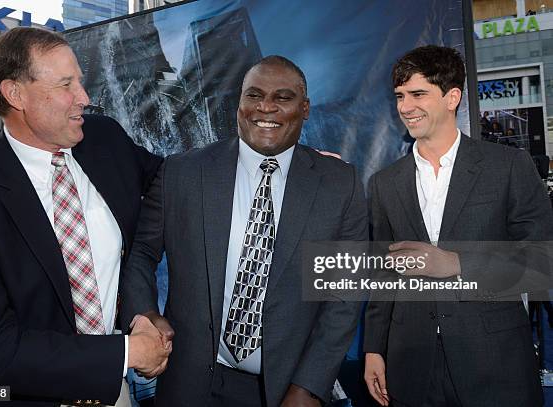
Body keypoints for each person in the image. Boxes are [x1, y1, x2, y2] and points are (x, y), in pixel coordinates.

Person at [120, 55, 368, 406]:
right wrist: (145, 314)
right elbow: (141, 254)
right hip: (189, 385)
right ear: (239, 103)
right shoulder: (182, 173)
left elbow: (343, 296)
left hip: (287, 390)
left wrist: (309, 386)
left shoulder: (340, 185)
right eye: (253, 95)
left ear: (305, 108)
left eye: (283, 98)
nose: (265, 107)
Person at [0, 27, 169, 405]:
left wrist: (140, 309)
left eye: (79, 81)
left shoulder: (105, 141)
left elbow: (171, 186)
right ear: (15, 94)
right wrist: (128, 353)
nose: (84, 97)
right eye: (66, 84)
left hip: (114, 393)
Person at [363, 45, 553, 407]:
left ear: (453, 97)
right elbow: (383, 275)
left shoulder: (508, 166)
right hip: (412, 363)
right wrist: (374, 349)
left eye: (418, 94)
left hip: (494, 362)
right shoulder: (384, 183)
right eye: (400, 96)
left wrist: (458, 264)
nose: (405, 106)